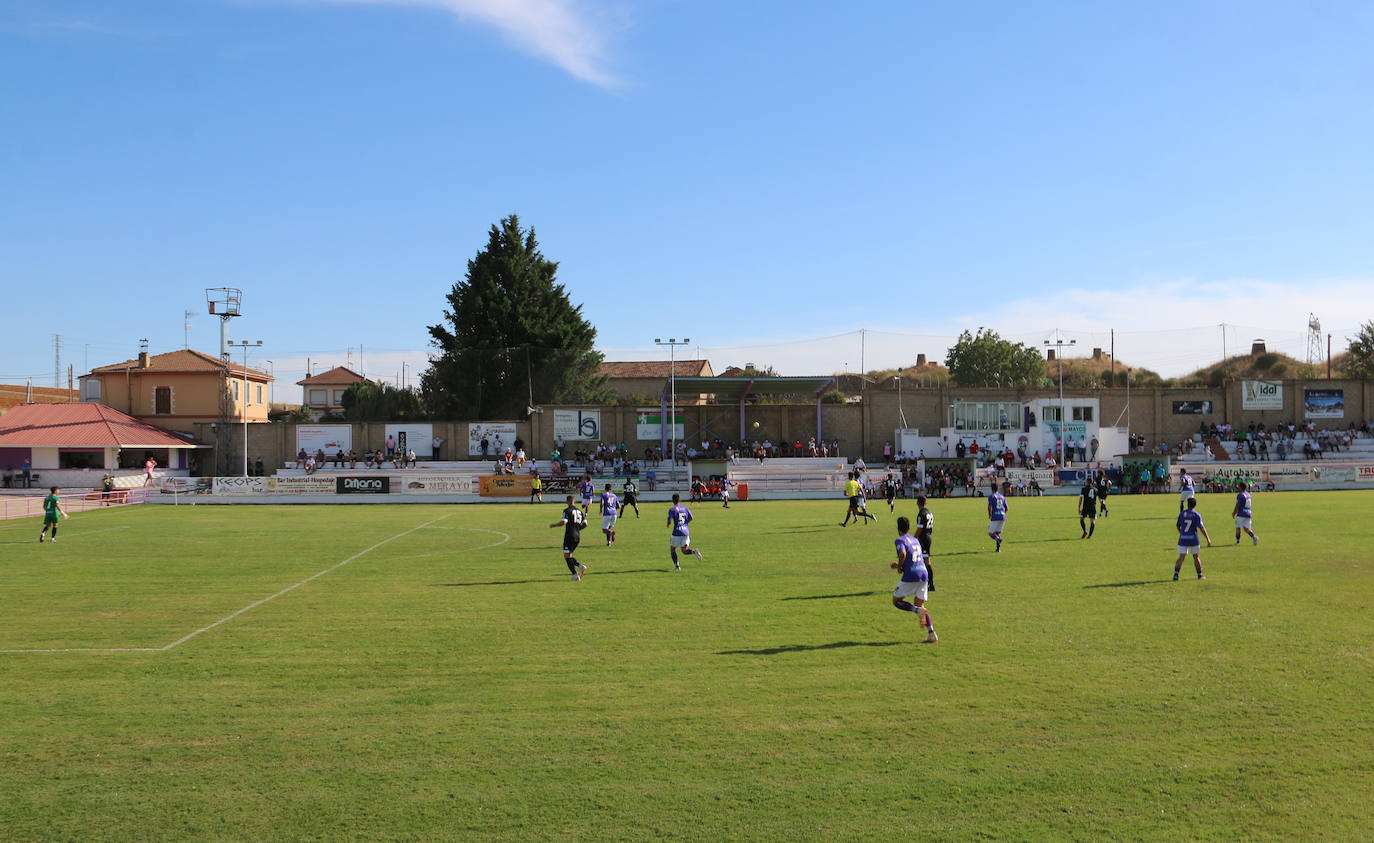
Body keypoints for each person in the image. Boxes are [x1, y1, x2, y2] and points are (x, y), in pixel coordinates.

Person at [890, 516, 938, 644]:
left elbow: (903, 554)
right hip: (923, 574)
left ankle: (916, 611)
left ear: (898, 529)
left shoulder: (900, 540)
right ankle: (931, 633)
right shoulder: (915, 540)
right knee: (921, 604)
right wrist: (899, 564)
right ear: (909, 528)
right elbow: (913, 558)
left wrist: (899, 567)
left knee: (896, 601)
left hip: (911, 575)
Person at [549, 495, 588, 581]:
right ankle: (580, 566)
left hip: (570, 536)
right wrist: (578, 528)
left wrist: (554, 525)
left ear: (568, 502)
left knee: (567, 556)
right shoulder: (579, 511)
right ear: (574, 501)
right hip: (577, 536)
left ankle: (575, 575)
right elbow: (585, 524)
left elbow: (564, 522)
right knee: (569, 555)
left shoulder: (567, 511)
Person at [1174, 497, 1212, 580]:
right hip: (1193, 539)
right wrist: (1208, 539)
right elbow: (1201, 528)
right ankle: (1200, 575)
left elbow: (1177, 526)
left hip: (1183, 539)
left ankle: (1176, 575)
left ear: (1187, 505)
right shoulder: (1196, 515)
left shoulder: (1182, 514)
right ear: (1195, 505)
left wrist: (1182, 533)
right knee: (1196, 557)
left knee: (1181, 557)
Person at [666, 492, 703, 570]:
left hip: (677, 532)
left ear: (673, 500)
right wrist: (685, 523)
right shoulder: (685, 508)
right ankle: (694, 551)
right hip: (686, 531)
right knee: (684, 550)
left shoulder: (672, 509)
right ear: (680, 500)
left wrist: (668, 524)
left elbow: (670, 520)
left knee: (672, 549)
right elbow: (691, 517)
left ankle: (677, 566)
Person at [914, 494, 935, 590]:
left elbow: (919, 528)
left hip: (924, 538)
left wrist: (914, 539)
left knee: (926, 562)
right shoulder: (929, 512)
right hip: (928, 537)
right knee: (925, 561)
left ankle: (930, 584)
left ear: (918, 503)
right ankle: (927, 583)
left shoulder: (921, 514)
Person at [1232, 481, 1259, 546]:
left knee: (1238, 528)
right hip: (1248, 513)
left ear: (1241, 487)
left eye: (1238, 487)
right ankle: (1254, 537)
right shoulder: (1248, 494)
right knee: (1246, 529)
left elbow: (1237, 505)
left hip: (1241, 514)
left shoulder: (1240, 495)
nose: (1238, 488)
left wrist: (1234, 513)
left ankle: (1238, 542)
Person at [987, 481, 1009, 552]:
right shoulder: (1002, 496)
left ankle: (998, 539)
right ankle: (998, 549)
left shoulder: (991, 496)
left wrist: (990, 514)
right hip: (1002, 516)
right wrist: (1002, 513)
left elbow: (989, 506)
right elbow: (1007, 508)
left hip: (995, 516)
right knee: (997, 533)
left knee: (991, 533)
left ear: (992, 489)